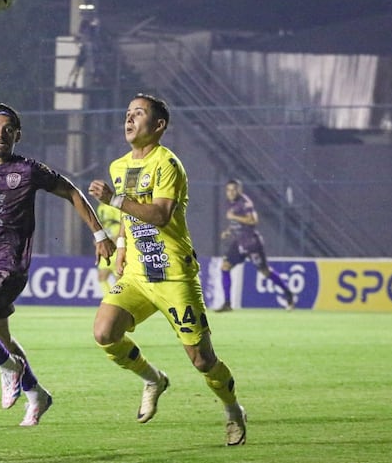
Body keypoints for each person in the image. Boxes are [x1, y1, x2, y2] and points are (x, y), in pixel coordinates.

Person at [0, 103, 115, 427]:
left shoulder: (27, 170)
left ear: (17, 136)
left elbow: (72, 192)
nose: (1, 134)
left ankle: (10, 370)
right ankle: (37, 394)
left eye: (8, 129)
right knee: (1, 336)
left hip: (9, 264)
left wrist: (99, 233)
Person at [88, 93, 247, 446]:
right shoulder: (119, 167)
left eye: (139, 114)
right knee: (104, 332)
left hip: (173, 274)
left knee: (203, 360)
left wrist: (112, 199)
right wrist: (124, 247)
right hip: (137, 276)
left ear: (158, 126)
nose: (129, 119)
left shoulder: (168, 164)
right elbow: (130, 218)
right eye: (127, 113)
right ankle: (153, 378)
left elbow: (160, 215)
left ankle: (233, 410)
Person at [216, 179, 295, 312]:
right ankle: (227, 303)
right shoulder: (231, 203)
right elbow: (236, 222)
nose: (230, 192)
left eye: (233, 190)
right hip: (239, 242)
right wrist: (228, 231)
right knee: (225, 267)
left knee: (265, 271)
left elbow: (253, 220)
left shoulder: (245, 202)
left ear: (239, 190)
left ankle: (288, 294)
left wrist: (234, 217)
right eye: (228, 190)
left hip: (251, 243)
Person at [95, 201, 122, 295]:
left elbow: (123, 222)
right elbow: (103, 226)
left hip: (117, 247)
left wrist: (119, 238)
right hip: (107, 245)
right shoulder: (100, 208)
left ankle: (117, 301)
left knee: (118, 280)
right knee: (102, 276)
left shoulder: (112, 207)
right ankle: (109, 299)